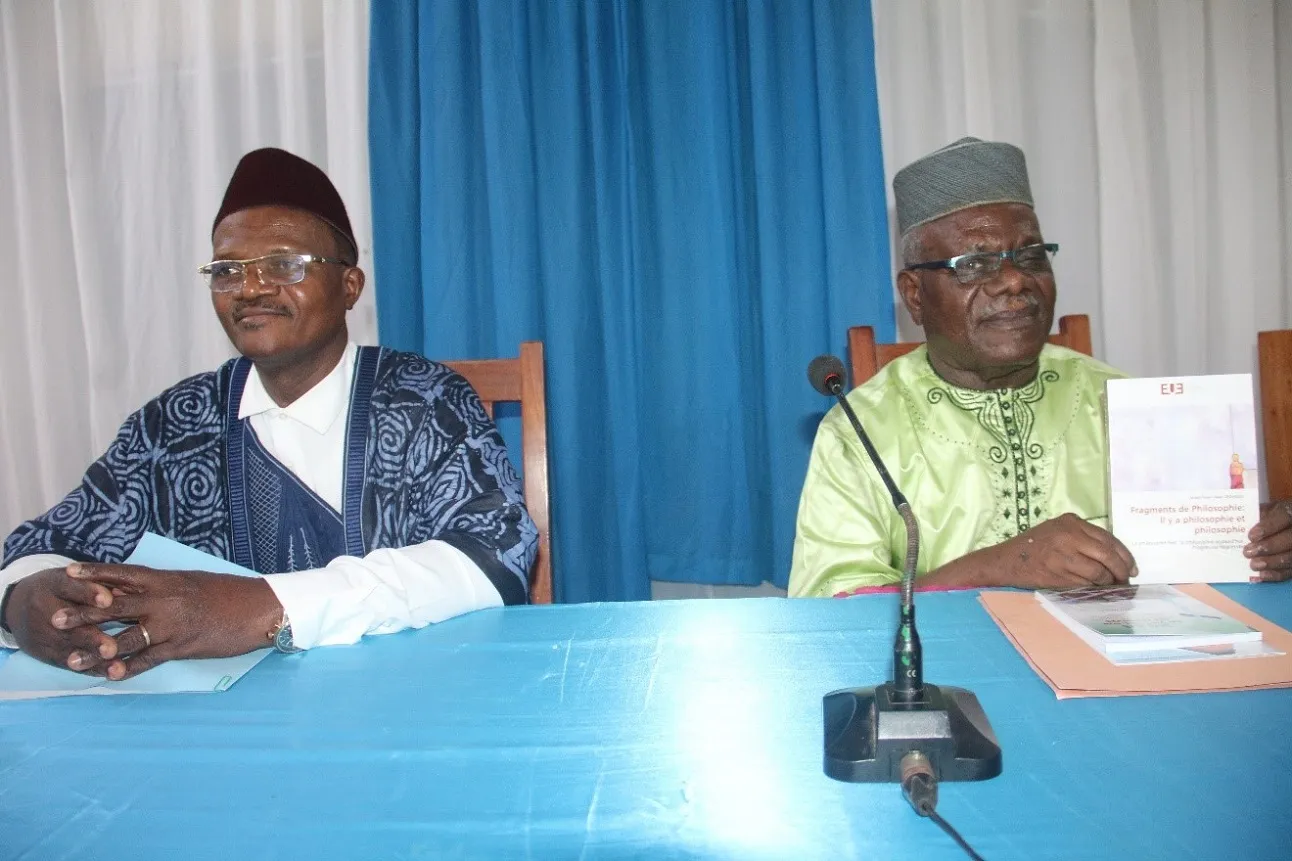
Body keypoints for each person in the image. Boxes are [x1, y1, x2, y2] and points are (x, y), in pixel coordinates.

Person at [0, 148, 538, 678]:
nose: (251, 287)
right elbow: (45, 546)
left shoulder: (425, 402)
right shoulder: (174, 424)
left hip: (405, 702)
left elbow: (494, 556)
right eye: (227, 270)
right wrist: (21, 600)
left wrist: (264, 606)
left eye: (283, 265)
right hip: (221, 724)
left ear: (349, 286)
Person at [788, 137, 1292, 597]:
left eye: (1031, 257)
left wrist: (1258, 541)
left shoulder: (1118, 401)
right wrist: (997, 566)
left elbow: (1199, 560)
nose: (1014, 281)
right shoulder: (860, 432)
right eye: (974, 264)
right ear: (915, 295)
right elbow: (831, 614)